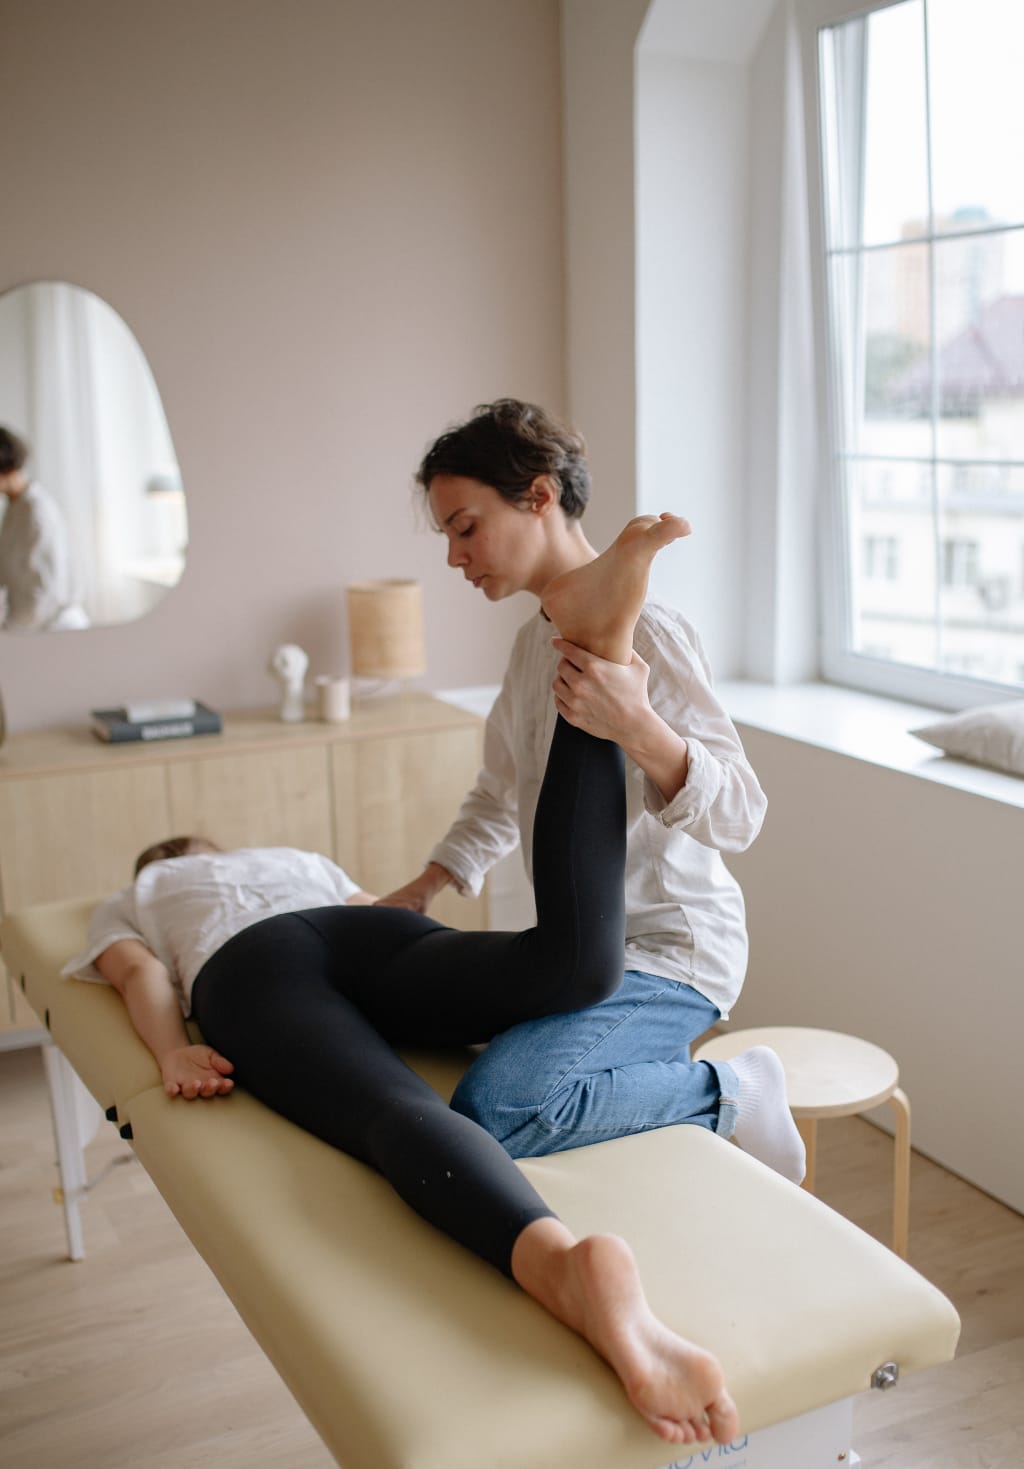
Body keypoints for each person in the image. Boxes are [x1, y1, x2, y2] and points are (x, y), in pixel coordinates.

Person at [65, 519, 740, 1451]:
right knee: (558, 960)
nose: (457, 551)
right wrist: (428, 935)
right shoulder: (290, 858)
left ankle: (562, 1268)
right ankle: (600, 642)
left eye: (465, 527)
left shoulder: (144, 892)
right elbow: (373, 911)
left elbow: (139, 972)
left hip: (252, 969)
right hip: (363, 933)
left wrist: (174, 1049)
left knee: (391, 1111)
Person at [379, 399, 805, 1186]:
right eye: (446, 537)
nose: (454, 557)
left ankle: (734, 1089)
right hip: (573, 956)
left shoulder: (652, 633)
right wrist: (427, 883)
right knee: (399, 1018)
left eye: (465, 527)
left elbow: (742, 813)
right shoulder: (527, 650)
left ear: (539, 495)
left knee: (498, 1108)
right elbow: (498, 790)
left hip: (671, 954)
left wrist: (639, 727)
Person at [0, 425, 90, 631]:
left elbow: (45, 593)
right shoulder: (14, 507)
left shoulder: (36, 511)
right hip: (27, 624)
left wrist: (9, 631)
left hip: (52, 629)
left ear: (8, 469)